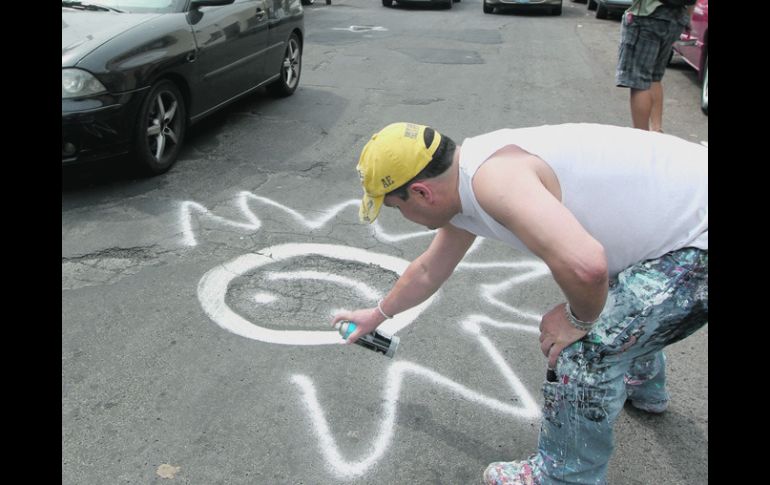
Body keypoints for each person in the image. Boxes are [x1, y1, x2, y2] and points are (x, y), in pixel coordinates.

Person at [331, 122, 708, 484]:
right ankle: (642, 382)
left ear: (421, 193)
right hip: (678, 220)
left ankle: (562, 476)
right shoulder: (466, 176)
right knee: (618, 301)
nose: (404, 218)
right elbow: (430, 268)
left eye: (397, 208)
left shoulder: (495, 184)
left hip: (696, 239)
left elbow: (587, 266)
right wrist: (378, 314)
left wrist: (579, 320)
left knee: (582, 350)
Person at [616, 0, 696, 132]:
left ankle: (642, 137)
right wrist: (688, 17)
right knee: (654, 76)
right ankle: (656, 129)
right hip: (677, 19)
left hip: (648, 15)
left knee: (639, 81)